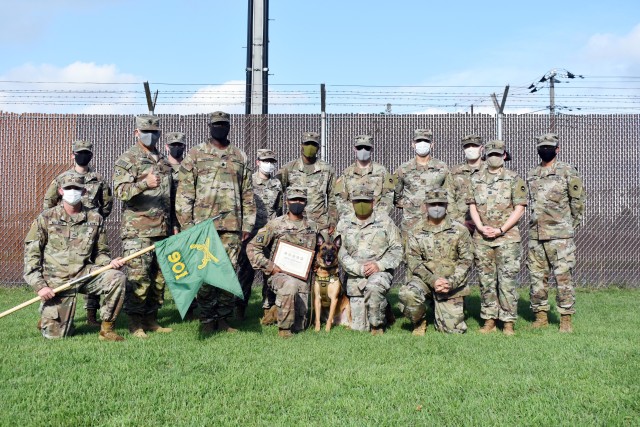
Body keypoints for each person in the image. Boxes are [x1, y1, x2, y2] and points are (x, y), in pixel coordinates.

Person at [176, 111, 256, 334]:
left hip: (232, 227)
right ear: (209, 127)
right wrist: (187, 225)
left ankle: (223, 319)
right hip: (203, 226)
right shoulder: (195, 154)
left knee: (227, 273)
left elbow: (247, 193)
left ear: (229, 127)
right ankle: (207, 319)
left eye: (223, 125)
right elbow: (184, 193)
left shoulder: (240, 156)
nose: (219, 128)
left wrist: (247, 225)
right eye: (215, 125)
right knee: (205, 273)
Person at [24, 175, 126, 341]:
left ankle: (107, 329)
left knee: (116, 278)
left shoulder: (95, 218)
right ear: (60, 191)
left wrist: (110, 263)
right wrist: (40, 286)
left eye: (77, 188)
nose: (73, 192)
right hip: (57, 280)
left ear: (84, 191)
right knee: (56, 336)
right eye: (69, 188)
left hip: (84, 274)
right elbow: (31, 256)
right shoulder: (46, 218)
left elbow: (101, 252)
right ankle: (48, 318)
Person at [42, 139, 114, 327]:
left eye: (86, 152)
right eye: (79, 152)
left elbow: (107, 204)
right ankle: (49, 314)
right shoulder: (62, 178)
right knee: (59, 273)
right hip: (66, 233)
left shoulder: (99, 179)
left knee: (95, 269)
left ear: (91, 155)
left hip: (90, 232)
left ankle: (92, 315)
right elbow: (48, 204)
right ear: (72, 154)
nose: (83, 155)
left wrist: (95, 219)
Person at [113, 114, 173, 338]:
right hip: (138, 230)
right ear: (136, 132)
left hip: (162, 229)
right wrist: (143, 184)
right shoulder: (128, 159)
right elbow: (120, 191)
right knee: (139, 277)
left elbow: (169, 195)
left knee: (159, 278)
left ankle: (151, 319)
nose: (150, 136)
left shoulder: (162, 160)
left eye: (154, 132)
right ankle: (135, 323)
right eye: (145, 131)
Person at [527, 133, 585, 333]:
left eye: (549, 146)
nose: (545, 149)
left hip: (560, 236)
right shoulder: (532, 174)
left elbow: (577, 202)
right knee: (537, 278)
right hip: (536, 236)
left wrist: (569, 226)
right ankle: (540, 316)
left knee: (563, 279)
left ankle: (565, 320)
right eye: (542, 146)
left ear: (557, 149)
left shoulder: (568, 171)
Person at [468, 140, 527, 335]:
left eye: (498, 154)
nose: (494, 157)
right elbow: (472, 206)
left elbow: (519, 208)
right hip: (482, 238)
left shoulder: (514, 179)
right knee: (486, 281)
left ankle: (508, 321)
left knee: (507, 281)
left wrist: (501, 229)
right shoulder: (475, 179)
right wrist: (480, 227)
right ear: (485, 155)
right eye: (491, 154)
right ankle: (489, 320)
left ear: (504, 156)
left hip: (507, 239)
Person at [246, 187, 319, 338]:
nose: (297, 202)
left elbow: (319, 252)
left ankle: (275, 311)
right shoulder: (275, 224)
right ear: (287, 201)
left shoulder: (313, 226)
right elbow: (252, 247)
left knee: (300, 325)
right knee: (289, 286)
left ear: (306, 202)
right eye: (293, 199)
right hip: (279, 276)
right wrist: (270, 267)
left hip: (302, 279)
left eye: (301, 200)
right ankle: (284, 330)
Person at [398, 188, 473, 334]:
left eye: (441, 204)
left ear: (446, 206)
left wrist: (450, 282)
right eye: (433, 204)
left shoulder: (459, 230)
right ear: (426, 206)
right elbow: (413, 261)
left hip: (450, 283)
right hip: (424, 281)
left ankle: (454, 305)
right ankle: (419, 321)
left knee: (452, 331)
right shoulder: (415, 231)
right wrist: (432, 280)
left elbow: (466, 261)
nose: (437, 208)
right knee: (407, 294)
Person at [336, 187, 403, 335]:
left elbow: (397, 250)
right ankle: (383, 307)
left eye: (365, 201)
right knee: (359, 328)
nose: (361, 204)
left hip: (379, 274)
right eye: (357, 201)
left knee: (374, 291)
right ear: (352, 203)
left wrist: (379, 265)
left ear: (372, 202)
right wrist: (358, 269)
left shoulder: (385, 221)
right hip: (355, 277)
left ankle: (377, 327)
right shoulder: (344, 222)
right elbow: (340, 251)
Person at [236, 148, 283, 322]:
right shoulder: (249, 182)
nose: (268, 164)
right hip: (250, 234)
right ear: (257, 162)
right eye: (265, 161)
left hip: (270, 234)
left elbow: (277, 209)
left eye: (271, 161)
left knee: (269, 271)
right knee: (245, 272)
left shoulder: (277, 184)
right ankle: (240, 308)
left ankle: (268, 309)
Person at [393, 129, 456, 233]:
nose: (422, 144)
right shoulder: (403, 169)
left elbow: (449, 194)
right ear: (413, 144)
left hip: (436, 223)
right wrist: (409, 204)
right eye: (418, 141)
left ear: (432, 145)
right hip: (411, 224)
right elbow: (394, 194)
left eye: (426, 141)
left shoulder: (442, 168)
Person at [276, 132, 337, 234]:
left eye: (313, 145)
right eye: (307, 144)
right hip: (294, 224)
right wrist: (279, 217)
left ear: (318, 147)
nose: (310, 147)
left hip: (320, 225)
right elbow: (277, 193)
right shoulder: (289, 168)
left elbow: (333, 198)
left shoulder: (327, 169)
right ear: (301, 146)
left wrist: (333, 221)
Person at [334, 135, 395, 218]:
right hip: (352, 221)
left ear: (372, 149)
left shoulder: (382, 171)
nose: (363, 150)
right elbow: (340, 199)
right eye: (360, 148)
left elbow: (388, 197)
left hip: (376, 222)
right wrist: (352, 216)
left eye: (367, 148)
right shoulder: (347, 173)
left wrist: (377, 216)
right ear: (354, 149)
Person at [450, 134, 484, 232]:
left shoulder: (489, 170)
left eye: (474, 146)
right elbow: (449, 197)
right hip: (461, 224)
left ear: (481, 148)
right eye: (467, 146)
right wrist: (459, 221)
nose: (470, 149)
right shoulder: (455, 171)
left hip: (486, 224)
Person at [165, 131, 186, 235]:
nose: (176, 147)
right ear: (167, 147)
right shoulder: (161, 167)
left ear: (184, 147)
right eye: (173, 145)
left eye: (179, 145)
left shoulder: (190, 167)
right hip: (165, 221)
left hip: (185, 220)